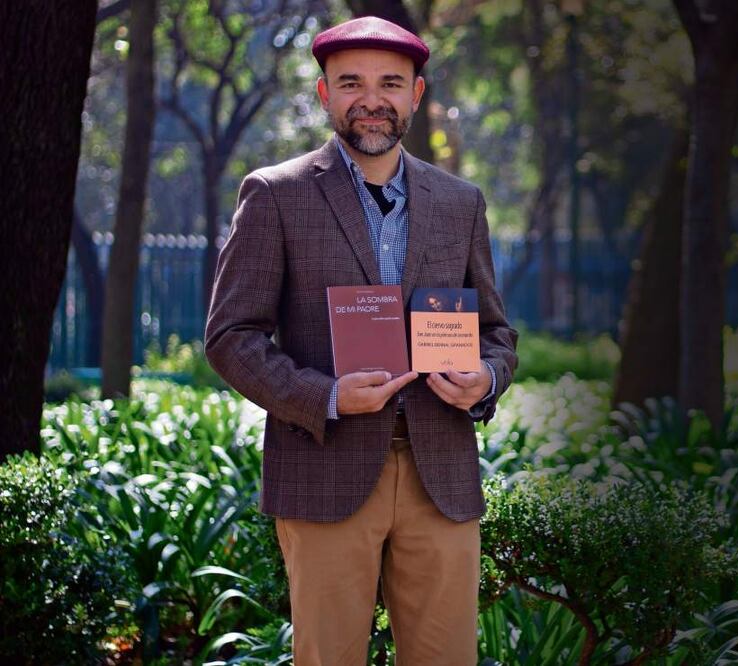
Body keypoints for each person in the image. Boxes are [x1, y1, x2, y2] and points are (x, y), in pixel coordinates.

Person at [204, 15, 518, 665]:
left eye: (389, 83)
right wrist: (324, 395)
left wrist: (484, 379)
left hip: (440, 475)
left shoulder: (460, 202)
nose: (370, 99)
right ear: (324, 94)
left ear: (416, 95)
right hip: (324, 470)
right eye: (350, 83)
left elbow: (495, 331)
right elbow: (230, 336)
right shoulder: (276, 194)